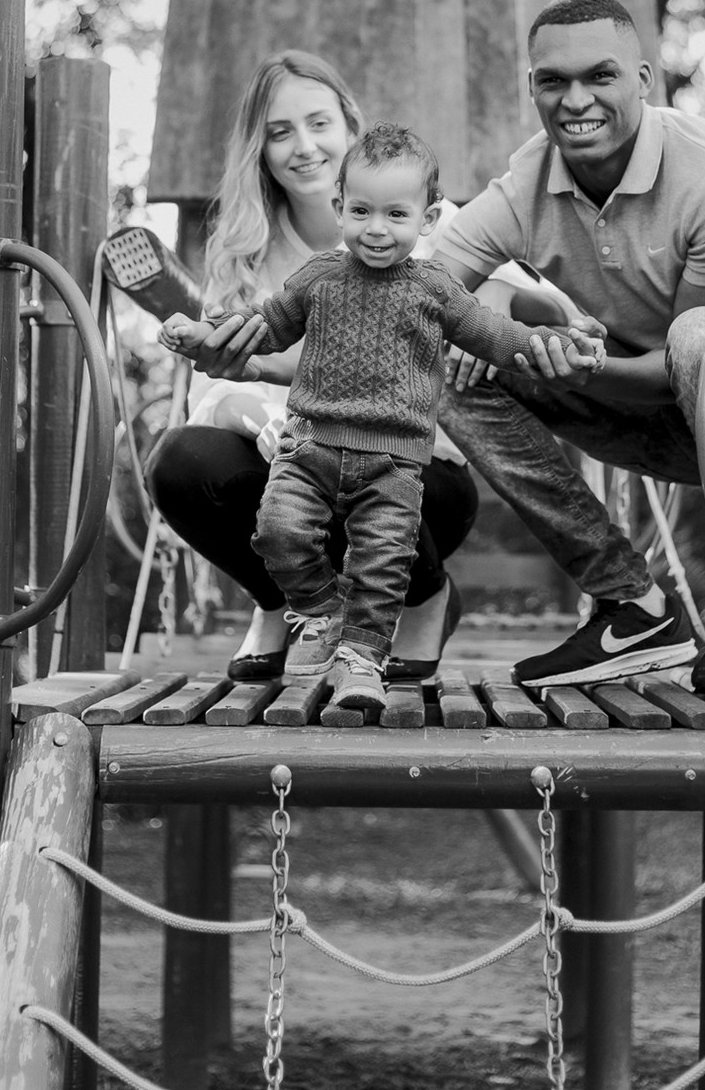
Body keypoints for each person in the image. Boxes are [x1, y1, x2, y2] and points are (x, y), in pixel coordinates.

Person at [160, 123, 604, 713]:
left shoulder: (435, 289)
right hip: (311, 446)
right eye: (362, 211)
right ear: (340, 206)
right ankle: (322, 611)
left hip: (394, 462)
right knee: (277, 532)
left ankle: (361, 665)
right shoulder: (319, 278)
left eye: (396, 215)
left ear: (428, 219)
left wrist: (555, 344)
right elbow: (262, 326)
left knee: (383, 565)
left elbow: (497, 337)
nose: (376, 229)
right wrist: (200, 334)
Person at [434, 0, 705, 695]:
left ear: (642, 80)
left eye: (599, 76)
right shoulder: (525, 182)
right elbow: (420, 286)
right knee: (449, 363)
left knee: (701, 338)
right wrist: (487, 313)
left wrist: (563, 360)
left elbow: (687, 366)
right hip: (657, 417)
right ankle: (631, 603)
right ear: (531, 88)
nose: (575, 100)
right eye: (553, 81)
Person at [144, 51, 478, 683]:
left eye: (318, 122)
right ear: (261, 151)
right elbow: (212, 394)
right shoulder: (245, 251)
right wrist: (265, 419)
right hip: (303, 474)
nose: (303, 146)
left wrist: (556, 324)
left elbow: (519, 294)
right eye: (279, 132)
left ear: (350, 126)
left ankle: (423, 592)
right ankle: (284, 603)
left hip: (419, 476)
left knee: (353, 448)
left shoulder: (430, 225)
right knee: (182, 461)